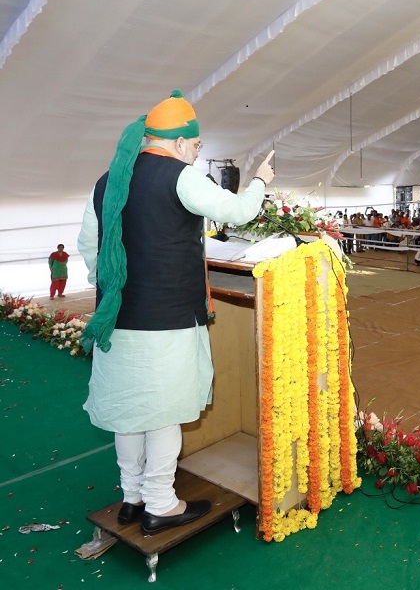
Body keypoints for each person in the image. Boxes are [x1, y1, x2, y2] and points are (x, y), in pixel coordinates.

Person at [77, 90, 275, 536]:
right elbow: (238, 212)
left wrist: (115, 287)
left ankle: (131, 497)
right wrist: (261, 179)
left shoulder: (108, 181)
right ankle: (161, 504)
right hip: (166, 320)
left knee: (131, 411)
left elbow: (90, 247)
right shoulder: (179, 176)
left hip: (117, 318)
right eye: (197, 145)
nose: (197, 152)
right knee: (163, 412)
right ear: (180, 142)